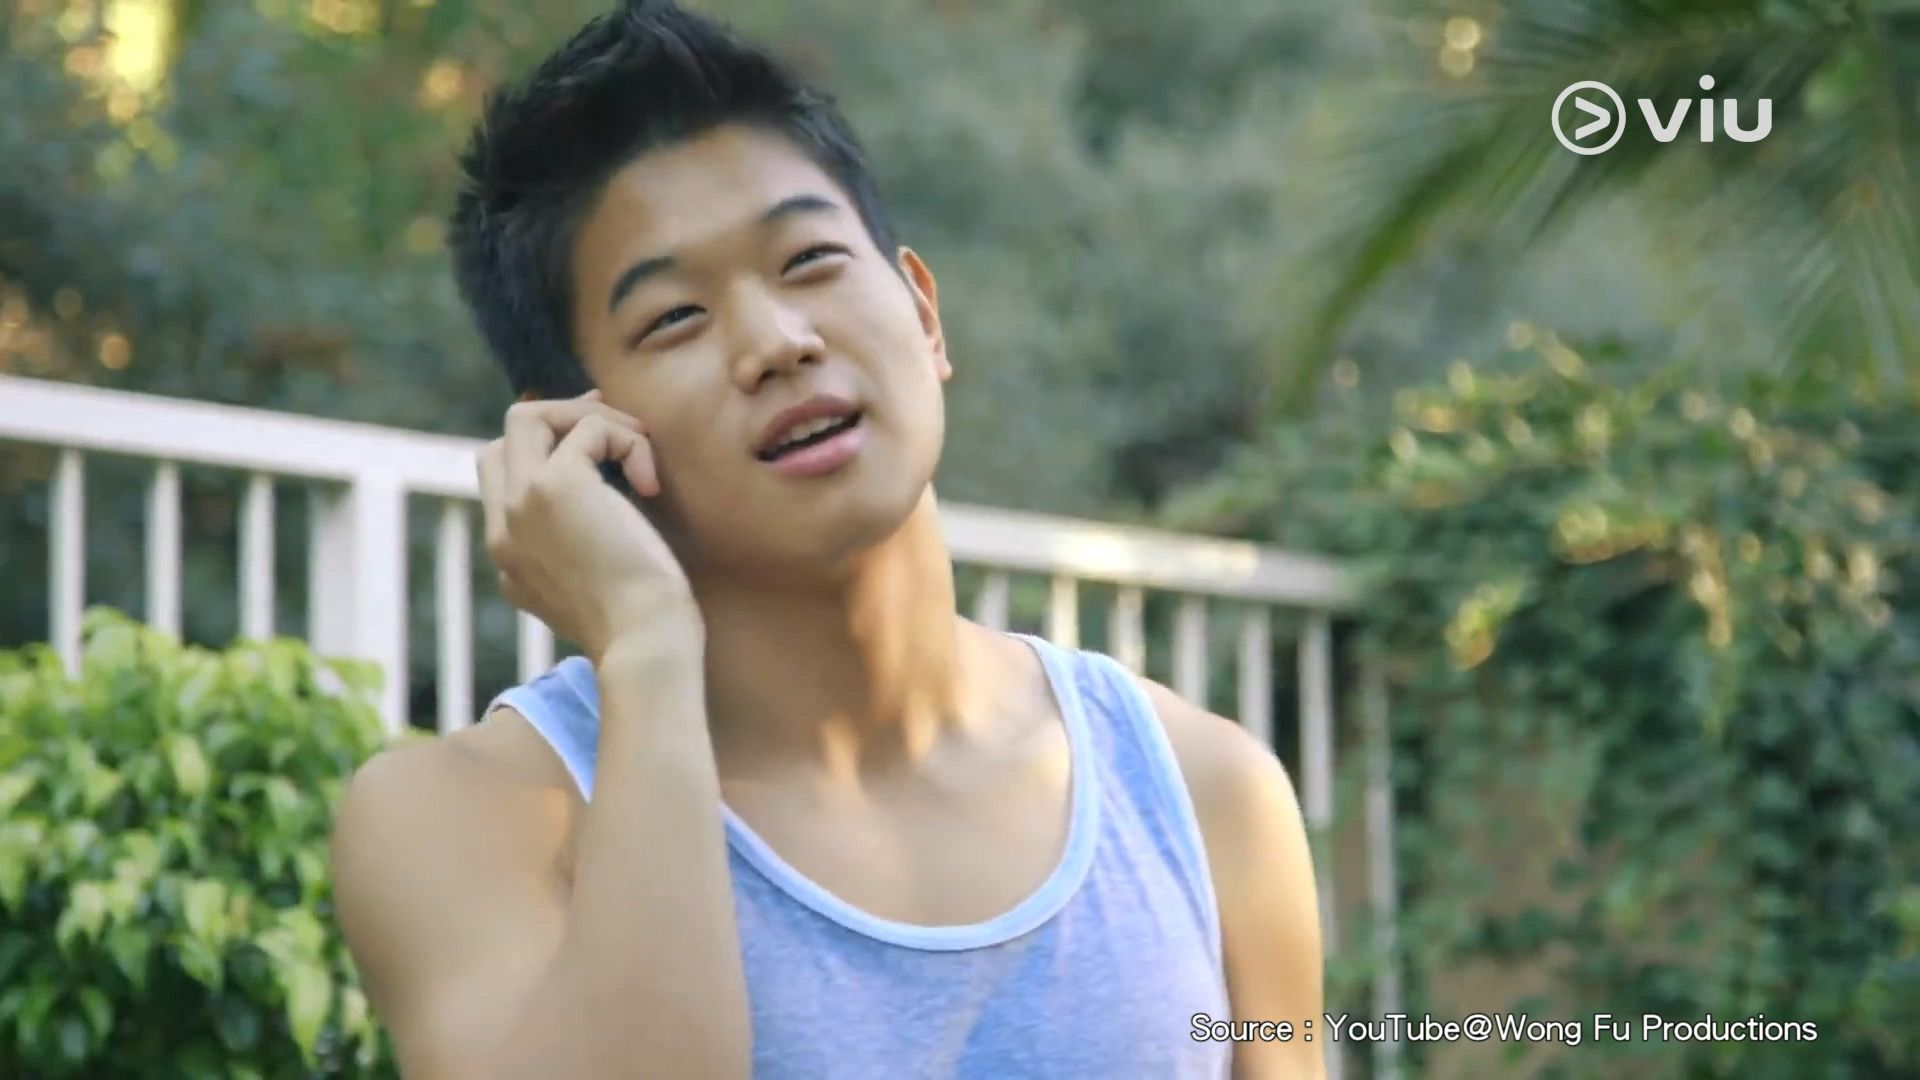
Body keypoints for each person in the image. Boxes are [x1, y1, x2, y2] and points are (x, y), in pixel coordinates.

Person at [327, 1, 1325, 1077]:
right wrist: (647, 652)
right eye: (674, 319)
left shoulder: (1205, 793)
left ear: (925, 314)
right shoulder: (466, 821)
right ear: (578, 437)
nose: (777, 341)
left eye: (808, 260)